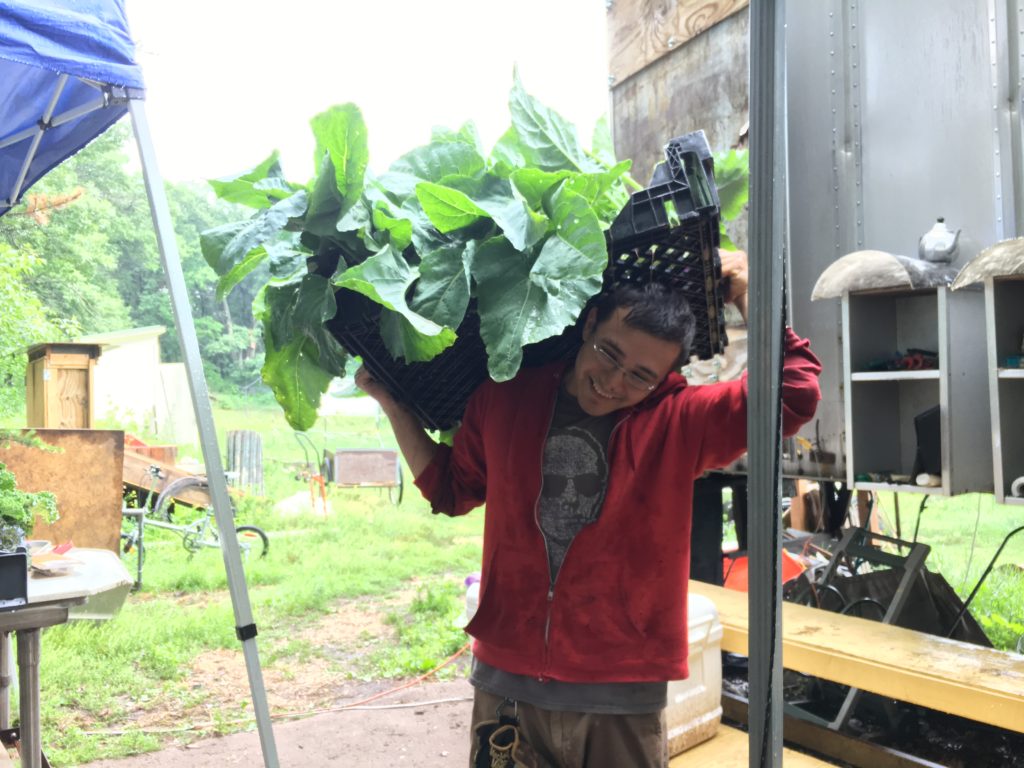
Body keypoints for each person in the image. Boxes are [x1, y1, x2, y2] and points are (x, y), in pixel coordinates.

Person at [356, 251, 822, 768]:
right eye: (609, 353)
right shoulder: (504, 396)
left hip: (620, 698)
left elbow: (794, 394)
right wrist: (390, 403)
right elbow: (450, 490)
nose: (613, 381)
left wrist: (745, 290)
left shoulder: (680, 422)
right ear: (589, 323)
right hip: (507, 692)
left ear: (668, 376)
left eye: (641, 376)